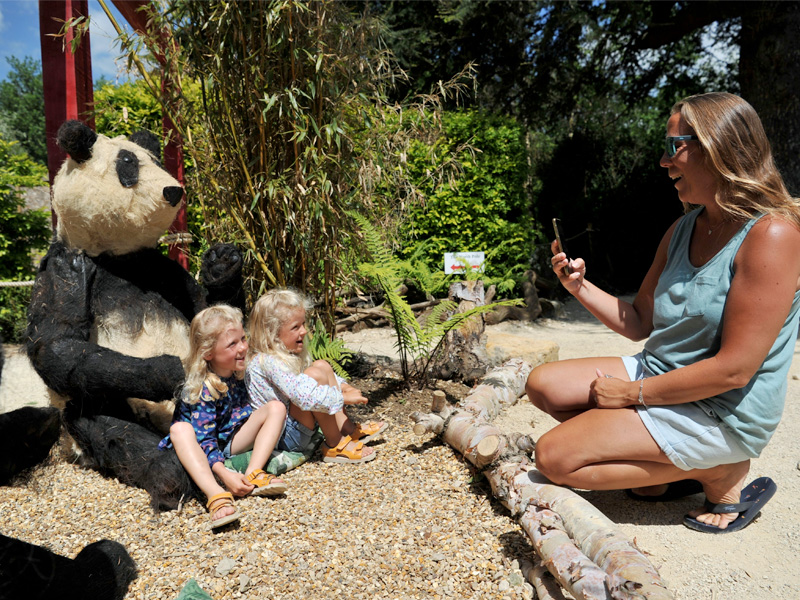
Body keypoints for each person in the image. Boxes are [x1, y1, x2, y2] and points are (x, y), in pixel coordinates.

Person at [526, 92, 800, 533]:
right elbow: (639, 322)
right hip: (663, 375)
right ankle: (666, 467)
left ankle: (720, 469)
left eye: (675, 146)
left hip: (720, 408)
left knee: (554, 458)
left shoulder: (772, 235)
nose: (663, 161)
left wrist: (630, 394)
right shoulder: (684, 227)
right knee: (544, 385)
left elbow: (734, 370)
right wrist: (579, 287)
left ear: (718, 147)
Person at [159, 305, 288, 529]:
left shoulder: (238, 372)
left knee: (275, 407)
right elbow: (205, 438)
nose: (243, 347)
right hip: (201, 446)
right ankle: (216, 494)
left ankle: (254, 471)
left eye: (243, 339)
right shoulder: (203, 388)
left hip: (231, 438)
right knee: (180, 429)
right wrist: (224, 473)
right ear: (208, 353)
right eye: (232, 344)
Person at [246, 288, 388, 465]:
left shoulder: (284, 352)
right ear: (272, 333)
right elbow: (303, 395)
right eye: (295, 327)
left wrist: (342, 386)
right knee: (313, 375)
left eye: (303, 324)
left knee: (321, 365)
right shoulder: (268, 362)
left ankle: (347, 428)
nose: (304, 331)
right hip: (285, 436)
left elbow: (312, 377)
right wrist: (342, 397)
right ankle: (335, 444)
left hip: (296, 424)